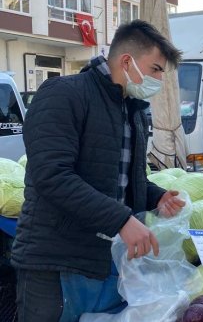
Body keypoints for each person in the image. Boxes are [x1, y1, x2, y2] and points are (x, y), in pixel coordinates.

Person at [11, 20, 186, 322]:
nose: (159, 79)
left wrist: (155, 197)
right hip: (56, 264)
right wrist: (120, 220)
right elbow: (52, 175)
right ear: (127, 61)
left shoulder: (132, 110)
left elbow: (121, 179)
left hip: (106, 262)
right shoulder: (63, 94)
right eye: (156, 69)